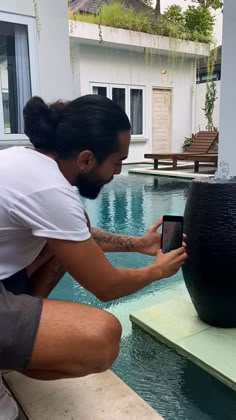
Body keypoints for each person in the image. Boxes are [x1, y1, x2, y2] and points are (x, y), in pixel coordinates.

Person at [0, 95, 187, 419]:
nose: (117, 171)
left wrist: (139, 244)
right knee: (101, 336)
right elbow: (107, 286)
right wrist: (157, 271)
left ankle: (13, 346)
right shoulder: (49, 190)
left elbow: (81, 235)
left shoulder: (27, 163)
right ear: (86, 159)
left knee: (61, 247)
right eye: (116, 162)